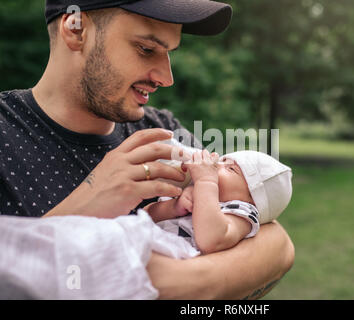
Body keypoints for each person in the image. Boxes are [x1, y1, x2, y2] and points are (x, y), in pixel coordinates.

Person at [0, 0, 294, 299]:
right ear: (76, 30)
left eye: (169, 54)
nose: (166, 78)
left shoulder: (162, 128)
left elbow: (275, 241)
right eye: (146, 49)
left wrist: (190, 282)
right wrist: (86, 203)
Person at [147, 145, 293, 255]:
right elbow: (145, 216)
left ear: (253, 200)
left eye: (230, 169)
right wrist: (173, 207)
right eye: (222, 161)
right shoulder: (195, 191)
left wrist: (206, 182)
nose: (216, 166)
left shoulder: (242, 212)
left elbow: (211, 240)